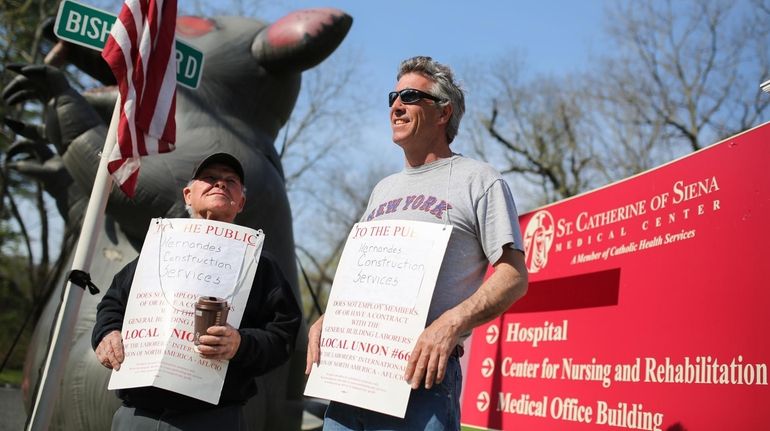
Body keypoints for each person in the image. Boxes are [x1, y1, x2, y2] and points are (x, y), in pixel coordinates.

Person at [305, 56, 529, 430]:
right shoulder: (383, 190)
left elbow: (514, 275)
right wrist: (331, 318)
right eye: (393, 96)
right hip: (352, 376)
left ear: (444, 113)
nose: (395, 105)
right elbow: (363, 277)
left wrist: (449, 324)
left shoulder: (480, 180)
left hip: (423, 380)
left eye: (410, 96)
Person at [92, 153, 302, 430]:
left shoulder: (259, 264)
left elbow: (283, 333)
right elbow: (113, 304)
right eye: (210, 178)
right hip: (137, 413)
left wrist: (241, 344)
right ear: (188, 195)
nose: (220, 185)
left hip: (212, 417)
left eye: (231, 181)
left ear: (241, 202)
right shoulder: (156, 250)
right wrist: (107, 333)